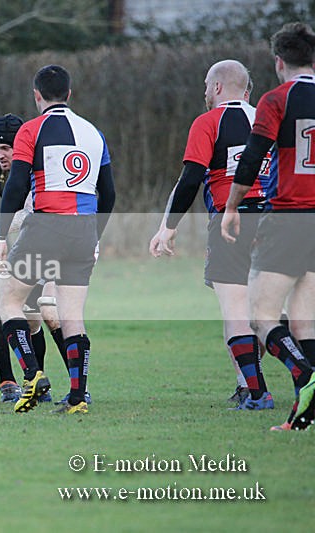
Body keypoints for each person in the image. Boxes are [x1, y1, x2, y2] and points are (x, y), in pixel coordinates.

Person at [149, 60, 273, 411]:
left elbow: (190, 179)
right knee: (269, 308)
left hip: (230, 224)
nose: (204, 91)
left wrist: (167, 228)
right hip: (278, 222)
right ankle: (264, 381)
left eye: (206, 85)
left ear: (218, 87)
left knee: (234, 310)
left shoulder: (209, 122)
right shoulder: (269, 118)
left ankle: (253, 388)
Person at [0, 64, 116, 414]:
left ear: (37, 96)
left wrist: (1, 234)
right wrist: (96, 237)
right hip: (83, 230)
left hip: (46, 226)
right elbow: (108, 195)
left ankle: (32, 375)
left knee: (10, 302)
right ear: (70, 94)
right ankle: (78, 397)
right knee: (71, 316)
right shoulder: (94, 133)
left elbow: (16, 186)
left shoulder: (31, 130)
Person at [221, 22, 315, 431]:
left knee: (259, 315)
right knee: (304, 322)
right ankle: (306, 416)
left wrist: (231, 206)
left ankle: (306, 376)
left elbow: (253, 156)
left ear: (279, 62)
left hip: (291, 218)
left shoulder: (278, 98)